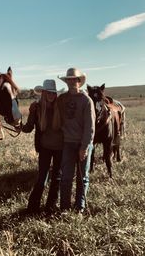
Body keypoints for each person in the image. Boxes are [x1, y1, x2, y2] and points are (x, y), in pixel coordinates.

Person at [57, 68, 95, 213]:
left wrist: (84, 147)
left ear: (79, 81)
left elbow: (90, 127)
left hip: (82, 143)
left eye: (75, 79)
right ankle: (64, 207)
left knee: (82, 178)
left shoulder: (86, 100)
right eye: (69, 79)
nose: (72, 82)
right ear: (66, 82)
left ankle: (80, 207)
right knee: (66, 177)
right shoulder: (62, 99)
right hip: (67, 143)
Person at [22, 79, 63, 213]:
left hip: (60, 148)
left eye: (53, 93)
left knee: (57, 177)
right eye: (48, 93)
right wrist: (19, 126)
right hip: (45, 147)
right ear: (43, 93)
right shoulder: (37, 108)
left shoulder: (61, 107)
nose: (51, 95)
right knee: (42, 178)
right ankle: (32, 207)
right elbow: (29, 127)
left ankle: (50, 207)